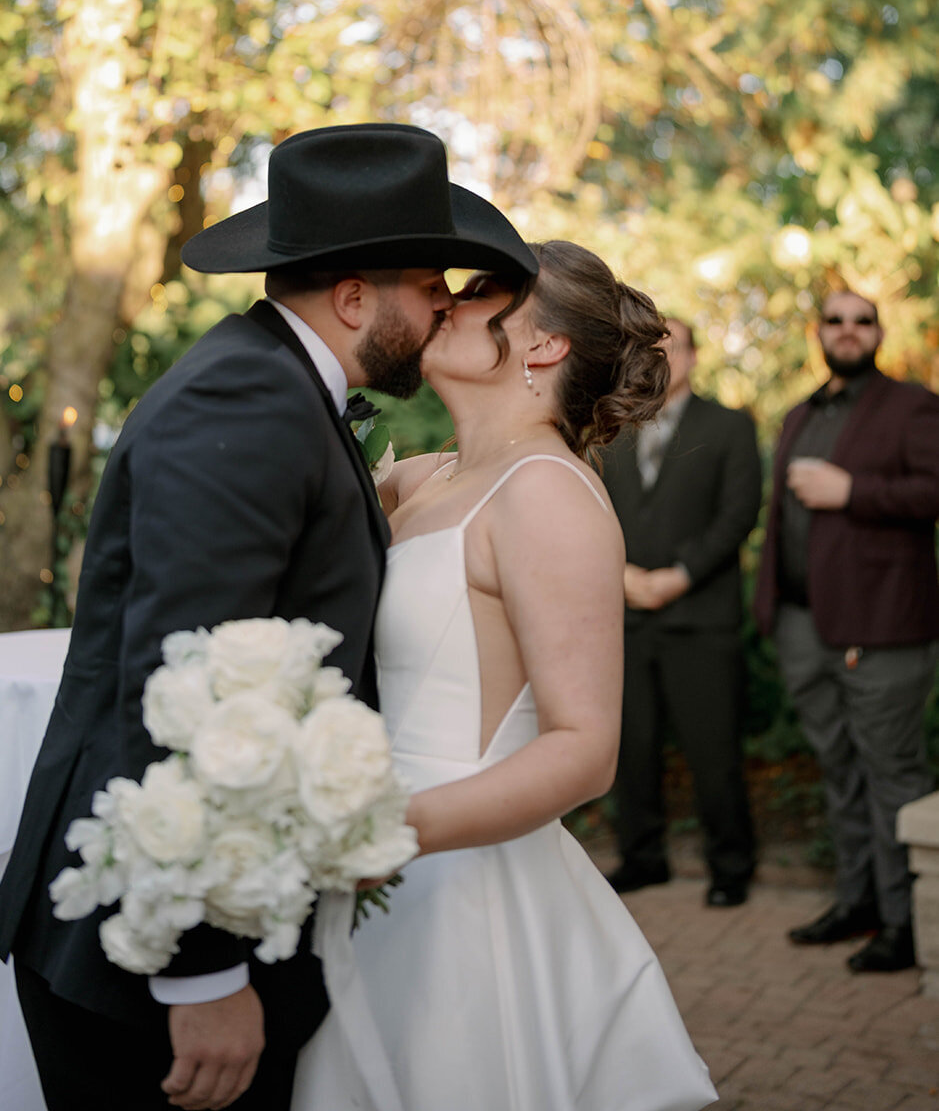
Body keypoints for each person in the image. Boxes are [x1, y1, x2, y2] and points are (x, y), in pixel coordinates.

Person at [0, 122, 539, 1111]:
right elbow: (182, 681)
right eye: (429, 285)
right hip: (150, 969)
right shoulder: (248, 399)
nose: (444, 307)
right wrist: (200, 973)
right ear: (354, 297)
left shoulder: (275, 382)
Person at [292, 242, 717, 1111]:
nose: (446, 298)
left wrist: (391, 832)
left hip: (454, 884)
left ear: (546, 345)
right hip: (371, 867)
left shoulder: (545, 495)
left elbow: (583, 750)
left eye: (483, 290)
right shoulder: (424, 478)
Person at [755, 288, 939, 974]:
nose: (848, 330)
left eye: (861, 321)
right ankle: (857, 901)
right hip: (804, 627)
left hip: (883, 628)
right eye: (835, 320)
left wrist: (852, 491)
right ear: (819, 333)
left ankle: (906, 926)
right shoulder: (800, 414)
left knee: (891, 774)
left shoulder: (910, 406)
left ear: (878, 332)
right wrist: (769, 610)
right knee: (838, 771)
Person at [602, 318, 762, 907]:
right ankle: (642, 859)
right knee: (632, 750)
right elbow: (590, 506)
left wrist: (680, 576)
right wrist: (617, 574)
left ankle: (731, 867)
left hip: (699, 617)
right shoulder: (610, 428)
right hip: (624, 614)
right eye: (651, 349)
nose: (662, 359)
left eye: (673, 347)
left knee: (713, 752)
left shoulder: (729, 427)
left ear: (694, 358)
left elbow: (738, 513)